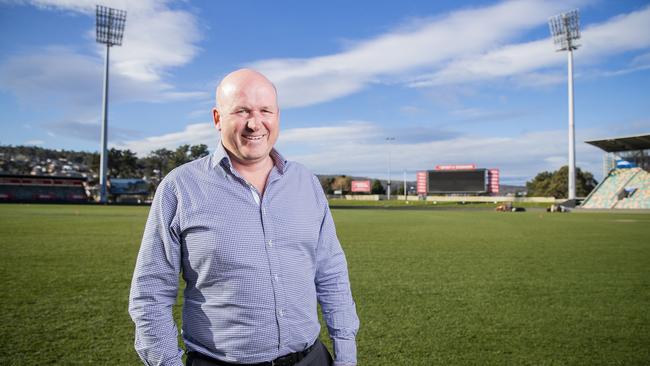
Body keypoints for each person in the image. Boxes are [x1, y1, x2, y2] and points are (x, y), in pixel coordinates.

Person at [129, 69, 359, 366]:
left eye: (265, 110)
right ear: (217, 118)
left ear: (277, 116)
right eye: (241, 111)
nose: (255, 123)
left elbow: (331, 274)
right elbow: (150, 294)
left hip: (311, 359)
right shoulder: (180, 187)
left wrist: (346, 356)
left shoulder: (306, 183)